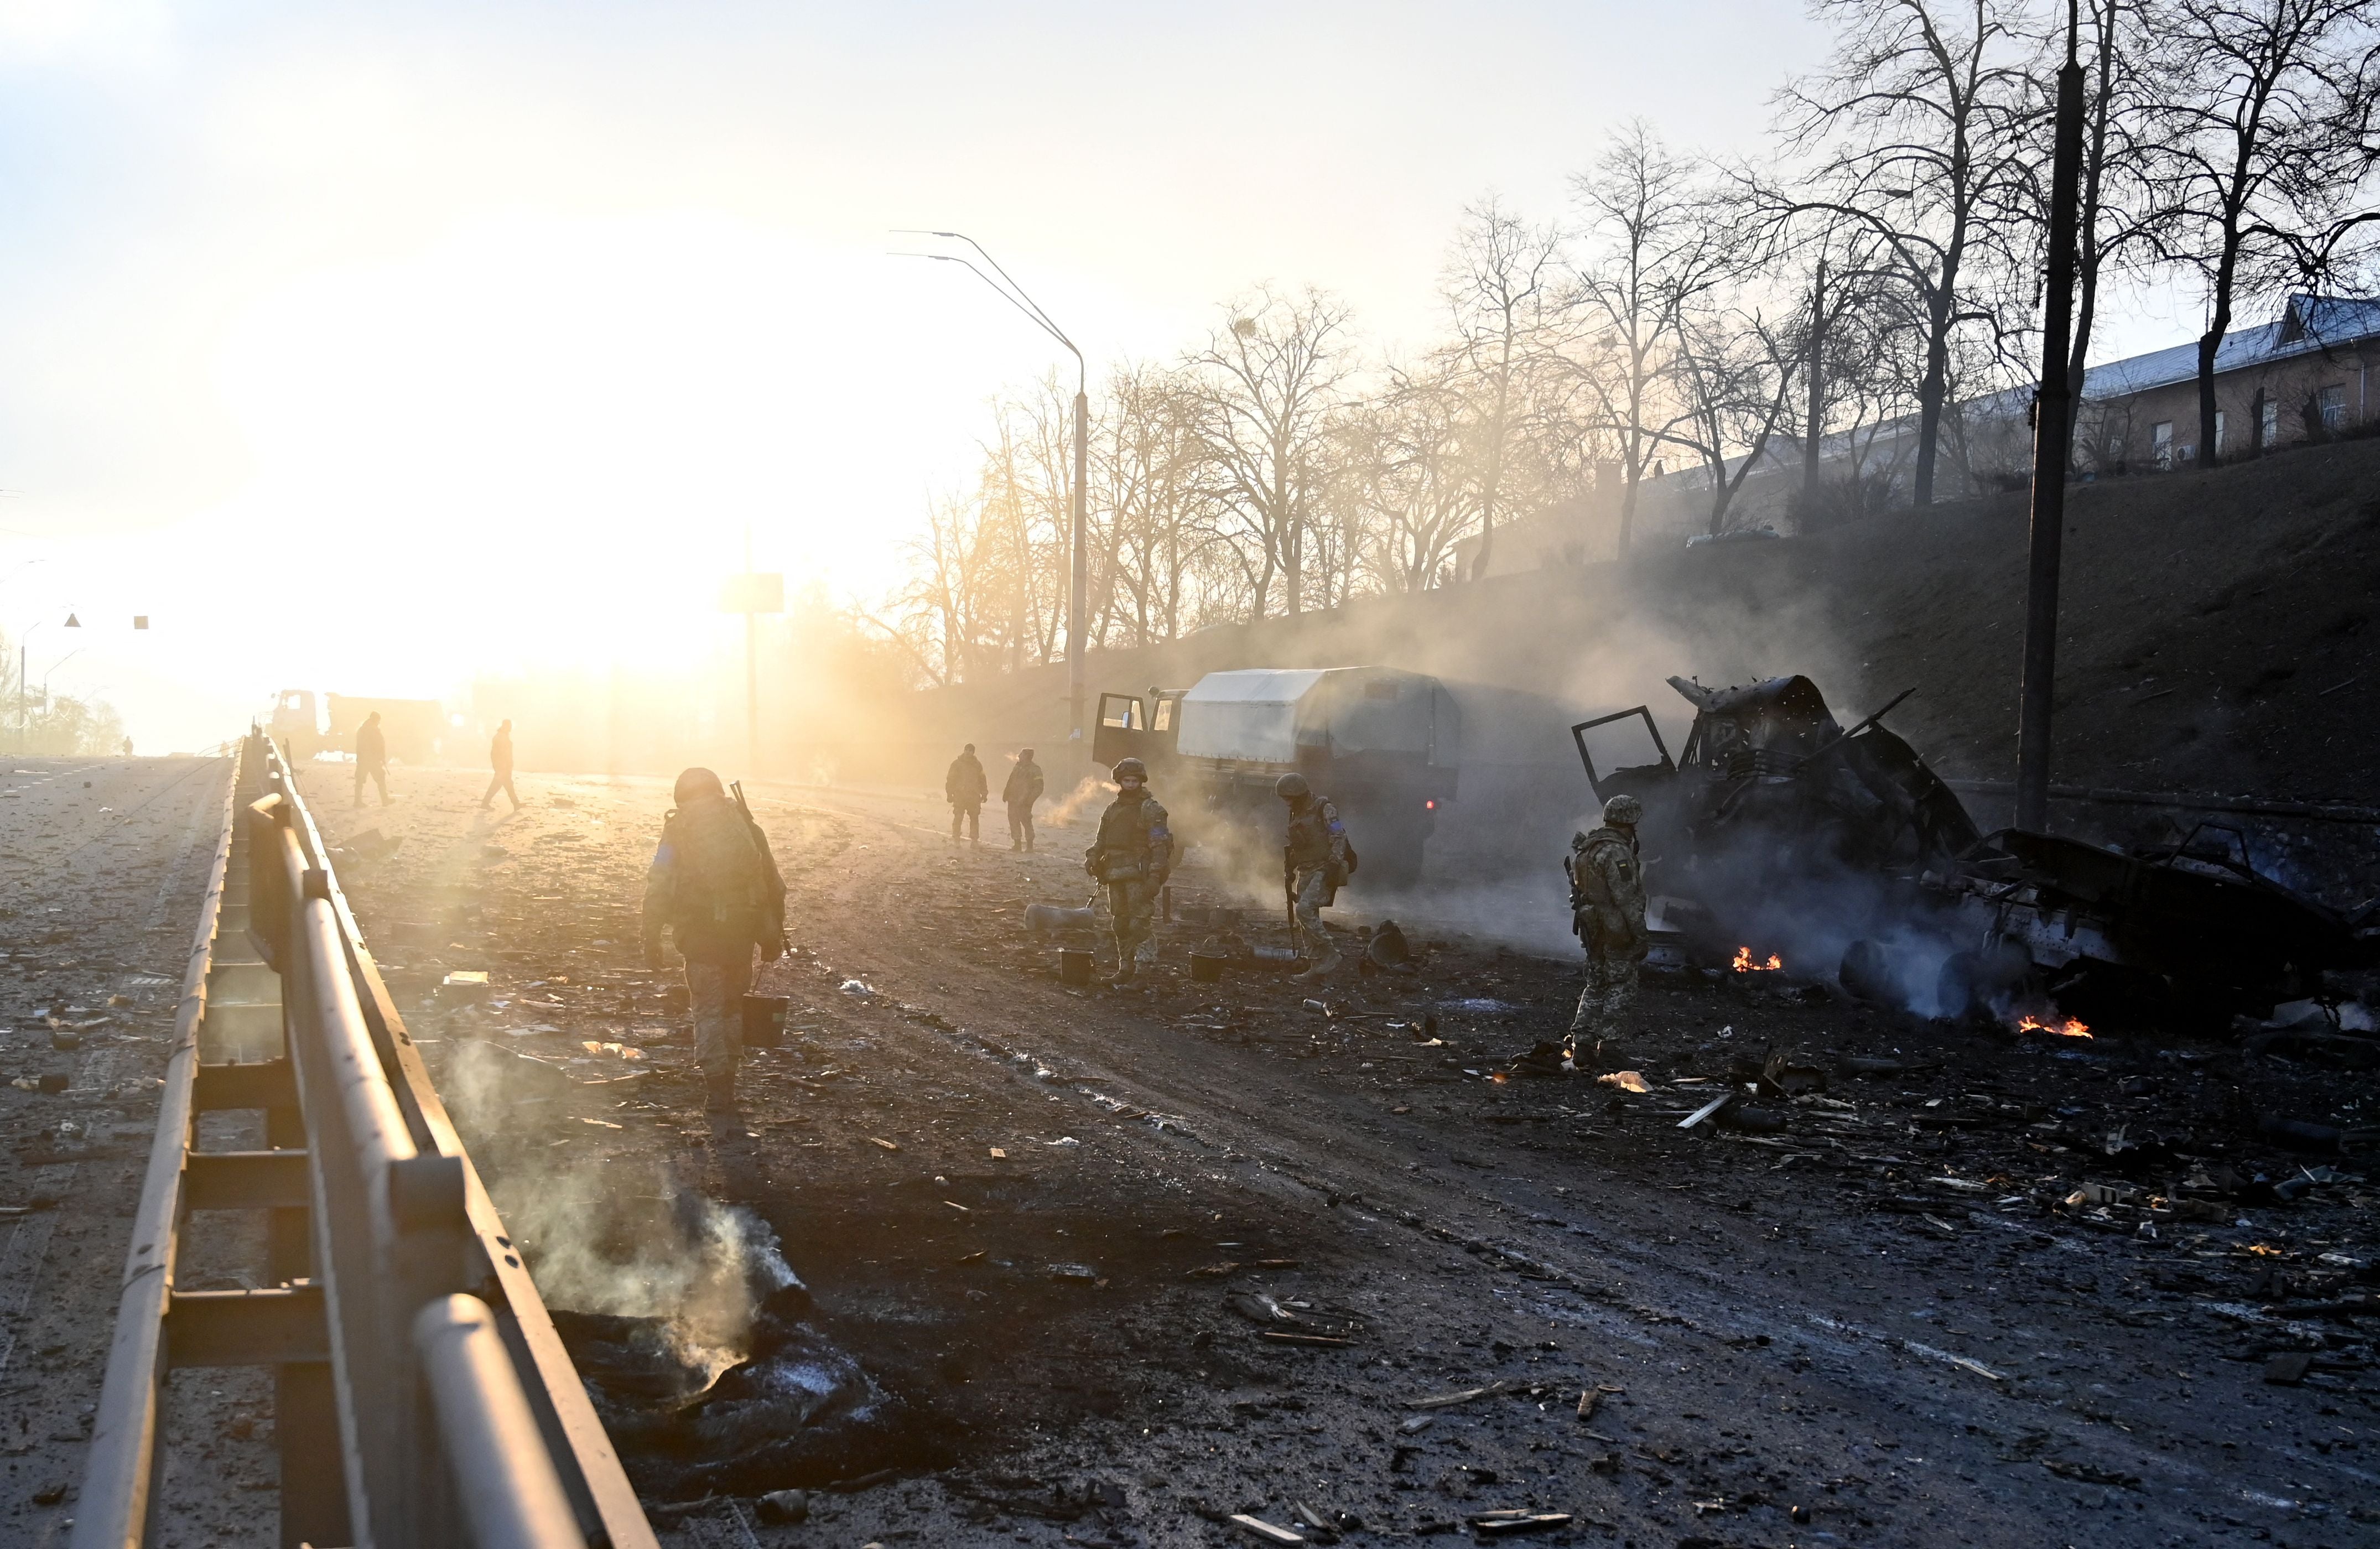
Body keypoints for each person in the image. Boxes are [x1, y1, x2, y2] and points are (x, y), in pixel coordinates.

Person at [641, 768, 788, 1113]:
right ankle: (730, 1084)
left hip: (699, 938)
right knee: (733, 1009)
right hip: (741, 936)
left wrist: (650, 938)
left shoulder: (676, 830)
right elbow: (773, 886)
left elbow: (658, 884)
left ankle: (717, 1089)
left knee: (707, 1011)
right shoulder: (745, 826)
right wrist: (771, 938)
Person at [1567, 793, 1648, 1068]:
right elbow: (1627, 898)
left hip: (1593, 928)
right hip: (1616, 930)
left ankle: (1583, 1044)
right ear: (1630, 821)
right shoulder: (1617, 852)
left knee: (1596, 983)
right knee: (1621, 985)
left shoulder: (1588, 849)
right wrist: (1640, 935)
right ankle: (1610, 1047)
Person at [1083, 756, 1171, 987]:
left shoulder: (1151, 810)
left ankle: (1145, 971)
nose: (1130, 785)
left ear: (1141, 782)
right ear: (1119, 781)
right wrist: (1093, 856)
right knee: (1120, 924)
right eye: (1126, 780)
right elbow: (1101, 839)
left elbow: (1160, 847)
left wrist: (1155, 877)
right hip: (1115, 874)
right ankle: (1126, 969)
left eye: (1134, 781)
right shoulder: (1112, 809)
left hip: (1138, 876)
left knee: (1138, 925)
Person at [1276, 772, 1350, 982]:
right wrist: (1290, 868)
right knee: (1307, 919)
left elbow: (1338, 835)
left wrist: (1334, 864)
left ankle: (1330, 953)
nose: (1287, 803)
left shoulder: (1324, 808)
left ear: (1299, 794)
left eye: (1289, 798)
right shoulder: (1296, 813)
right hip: (1305, 869)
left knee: (1304, 910)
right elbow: (1297, 843)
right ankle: (1316, 965)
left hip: (1323, 868)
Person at [945, 743, 989, 846]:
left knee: (974, 818)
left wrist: (984, 793)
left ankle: (974, 839)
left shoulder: (978, 765)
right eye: (967, 750)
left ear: (973, 752)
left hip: (974, 796)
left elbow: (983, 780)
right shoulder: (956, 764)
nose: (968, 752)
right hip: (960, 795)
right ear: (964, 751)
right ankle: (956, 838)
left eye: (970, 751)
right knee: (958, 816)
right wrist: (949, 793)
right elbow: (950, 779)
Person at [1003, 747, 1045, 852]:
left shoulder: (1035, 770)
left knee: (1026, 822)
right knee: (1013, 821)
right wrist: (1006, 793)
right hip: (1013, 799)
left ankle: (1030, 846)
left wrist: (1029, 801)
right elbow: (1011, 780)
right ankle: (1017, 845)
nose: (1019, 756)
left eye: (1022, 754)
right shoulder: (1017, 767)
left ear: (1027, 757)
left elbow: (1039, 788)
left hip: (1024, 801)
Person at [480, 719, 521, 812]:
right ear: (505, 726)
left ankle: (516, 804)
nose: (511, 728)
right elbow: (498, 754)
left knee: (505, 785)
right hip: (503, 767)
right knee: (502, 785)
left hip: (503, 766)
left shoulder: (501, 736)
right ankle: (515, 803)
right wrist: (502, 766)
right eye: (509, 726)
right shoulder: (501, 737)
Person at [353, 711, 388, 808]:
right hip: (372, 759)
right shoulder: (373, 730)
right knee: (381, 778)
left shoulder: (362, 729)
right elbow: (378, 745)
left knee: (360, 780)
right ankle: (385, 800)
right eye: (378, 721)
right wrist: (381, 757)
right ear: (375, 720)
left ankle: (357, 801)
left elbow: (360, 746)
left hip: (363, 759)